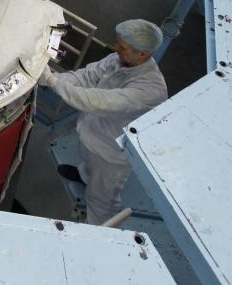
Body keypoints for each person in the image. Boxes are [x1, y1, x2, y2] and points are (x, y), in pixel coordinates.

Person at [39, 19, 167, 225]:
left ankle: (99, 229)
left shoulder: (150, 90)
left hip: (112, 155)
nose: (116, 48)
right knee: (87, 165)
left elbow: (97, 101)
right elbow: (87, 77)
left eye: (123, 47)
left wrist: (54, 83)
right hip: (93, 133)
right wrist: (54, 78)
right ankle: (84, 176)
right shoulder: (120, 59)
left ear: (142, 54)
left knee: (102, 199)